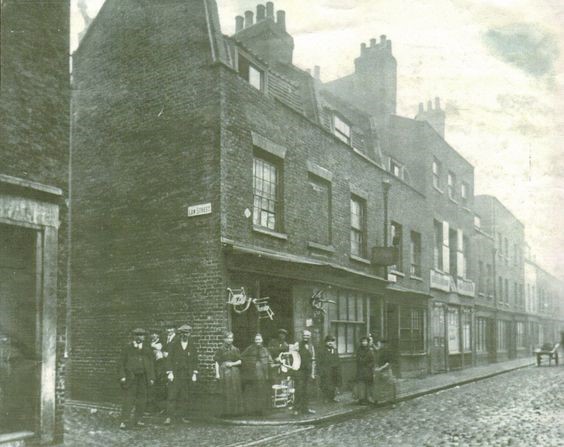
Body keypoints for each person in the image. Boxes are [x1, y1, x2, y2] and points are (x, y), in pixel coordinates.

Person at [118, 328, 155, 429]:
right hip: (131, 377)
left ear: (144, 337)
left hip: (143, 378)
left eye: (141, 335)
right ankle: (124, 421)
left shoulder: (147, 349)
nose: (139, 337)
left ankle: (138, 420)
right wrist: (122, 376)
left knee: (142, 399)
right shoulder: (127, 348)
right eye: (137, 335)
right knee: (128, 399)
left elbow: (151, 364)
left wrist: (151, 377)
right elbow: (121, 363)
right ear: (133, 336)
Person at [164, 324, 199, 425]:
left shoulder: (192, 345)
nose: (185, 335)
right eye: (183, 333)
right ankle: (169, 417)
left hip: (186, 374)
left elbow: (195, 360)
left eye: (187, 333)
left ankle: (182, 416)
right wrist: (170, 372)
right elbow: (169, 359)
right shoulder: (174, 344)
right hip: (175, 373)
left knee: (185, 396)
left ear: (190, 334)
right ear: (180, 334)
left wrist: (194, 373)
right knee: (172, 395)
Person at [240, 333, 273, 415]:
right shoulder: (250, 349)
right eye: (256, 339)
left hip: (262, 374)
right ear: (254, 340)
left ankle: (262, 410)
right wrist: (249, 365)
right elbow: (241, 357)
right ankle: (252, 411)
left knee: (262, 392)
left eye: (259, 339)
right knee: (252, 392)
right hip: (252, 375)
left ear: (262, 340)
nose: (258, 341)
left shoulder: (265, 350)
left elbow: (270, 361)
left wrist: (274, 363)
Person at [214, 331, 244, 417]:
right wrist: (217, 374)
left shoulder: (235, 349)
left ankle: (235, 412)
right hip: (224, 372)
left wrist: (232, 364)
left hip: (234, 373)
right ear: (224, 339)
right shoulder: (220, 349)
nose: (230, 340)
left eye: (231, 338)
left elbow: (240, 361)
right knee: (225, 391)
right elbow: (217, 361)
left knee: (234, 390)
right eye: (228, 338)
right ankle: (225, 412)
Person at [293, 329, 316, 415]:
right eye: (304, 336)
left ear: (310, 337)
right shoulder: (297, 345)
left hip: (308, 371)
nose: (306, 337)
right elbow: (292, 356)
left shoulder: (311, 346)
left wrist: (313, 373)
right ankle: (296, 409)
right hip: (299, 371)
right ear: (302, 336)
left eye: (307, 336)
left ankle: (305, 408)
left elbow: (313, 360)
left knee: (307, 390)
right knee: (299, 389)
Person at [316, 335, 342, 403]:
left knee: (334, 384)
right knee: (325, 384)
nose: (330, 343)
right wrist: (320, 371)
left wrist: (338, 369)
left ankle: (332, 397)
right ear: (325, 342)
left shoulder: (335, 350)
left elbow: (337, 360)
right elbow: (319, 361)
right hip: (326, 370)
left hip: (334, 370)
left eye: (332, 341)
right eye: (328, 341)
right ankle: (326, 398)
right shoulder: (322, 351)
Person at [372, 339, 397, 404]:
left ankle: (392, 402)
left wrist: (380, 368)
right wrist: (372, 343)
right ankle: (376, 400)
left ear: (382, 344)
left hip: (386, 371)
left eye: (378, 344)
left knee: (390, 385)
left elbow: (388, 363)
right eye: (377, 344)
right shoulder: (379, 350)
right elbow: (376, 349)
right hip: (378, 370)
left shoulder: (388, 351)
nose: (377, 345)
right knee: (377, 385)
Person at [355, 336, 375, 405]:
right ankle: (361, 399)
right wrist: (365, 361)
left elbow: (372, 360)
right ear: (361, 342)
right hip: (361, 370)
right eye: (363, 341)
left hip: (368, 370)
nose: (364, 343)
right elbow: (359, 360)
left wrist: (370, 365)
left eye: (366, 341)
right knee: (361, 384)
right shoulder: (359, 350)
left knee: (368, 384)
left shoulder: (370, 350)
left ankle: (368, 398)